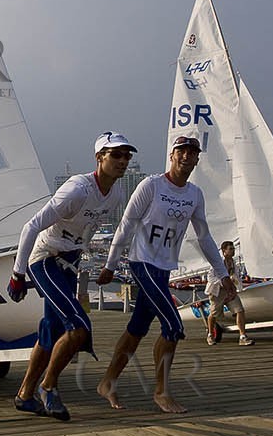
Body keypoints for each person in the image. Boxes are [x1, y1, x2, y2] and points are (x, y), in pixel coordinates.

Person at [97, 133, 232, 414]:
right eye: (181, 152)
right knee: (173, 326)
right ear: (171, 155)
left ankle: (108, 382)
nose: (186, 157)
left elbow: (204, 237)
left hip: (163, 268)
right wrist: (110, 265)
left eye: (192, 153)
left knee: (137, 328)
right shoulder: (151, 186)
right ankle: (162, 392)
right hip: (142, 262)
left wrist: (222, 272)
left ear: (196, 160)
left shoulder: (194, 194)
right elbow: (126, 225)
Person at [8, 131, 136, 421]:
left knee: (51, 331)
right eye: (115, 154)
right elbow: (31, 226)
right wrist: (17, 274)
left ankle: (24, 396)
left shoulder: (116, 193)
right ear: (99, 157)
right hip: (45, 259)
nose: (123, 161)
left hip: (69, 263)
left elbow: (86, 230)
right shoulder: (77, 190)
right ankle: (48, 387)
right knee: (78, 327)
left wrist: (90, 262)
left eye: (127, 155)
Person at [204, 241, 251, 346]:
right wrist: (223, 282)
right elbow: (210, 277)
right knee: (214, 313)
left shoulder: (233, 263)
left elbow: (236, 276)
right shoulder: (218, 263)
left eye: (233, 249)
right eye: (230, 249)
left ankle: (242, 336)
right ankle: (210, 334)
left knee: (239, 310)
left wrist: (236, 286)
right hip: (217, 290)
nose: (233, 251)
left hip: (229, 290)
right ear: (224, 251)